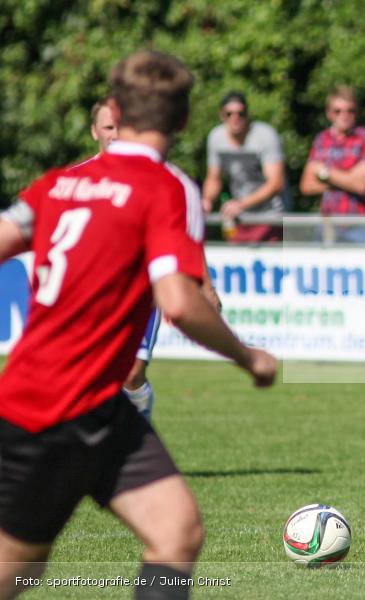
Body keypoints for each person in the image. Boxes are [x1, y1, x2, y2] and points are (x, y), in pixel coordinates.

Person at [0, 51, 277, 599]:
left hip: (95, 402)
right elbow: (178, 301)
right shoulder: (167, 187)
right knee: (16, 571)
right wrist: (250, 356)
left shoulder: (58, 185)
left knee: (177, 532)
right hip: (53, 411)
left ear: (117, 111)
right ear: (181, 121)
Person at [85, 97, 221, 420]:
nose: (115, 134)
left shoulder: (159, 179)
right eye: (108, 127)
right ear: (94, 132)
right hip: (92, 294)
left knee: (131, 373)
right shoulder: (78, 180)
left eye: (121, 126)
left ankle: (139, 422)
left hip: (142, 291)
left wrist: (206, 285)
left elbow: (184, 232)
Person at [300, 85, 365, 243]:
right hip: (327, 224)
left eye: (350, 111)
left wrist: (325, 174)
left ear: (357, 112)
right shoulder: (322, 139)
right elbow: (307, 186)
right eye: (338, 111)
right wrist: (350, 177)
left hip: (360, 225)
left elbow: (362, 185)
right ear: (329, 113)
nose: (344, 116)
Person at [202, 91, 287, 242]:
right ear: (222, 115)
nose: (235, 118)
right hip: (238, 219)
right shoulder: (216, 137)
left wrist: (241, 204)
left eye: (240, 113)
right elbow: (214, 178)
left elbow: (275, 183)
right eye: (229, 114)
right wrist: (206, 201)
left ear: (248, 115)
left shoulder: (264, 136)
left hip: (269, 217)